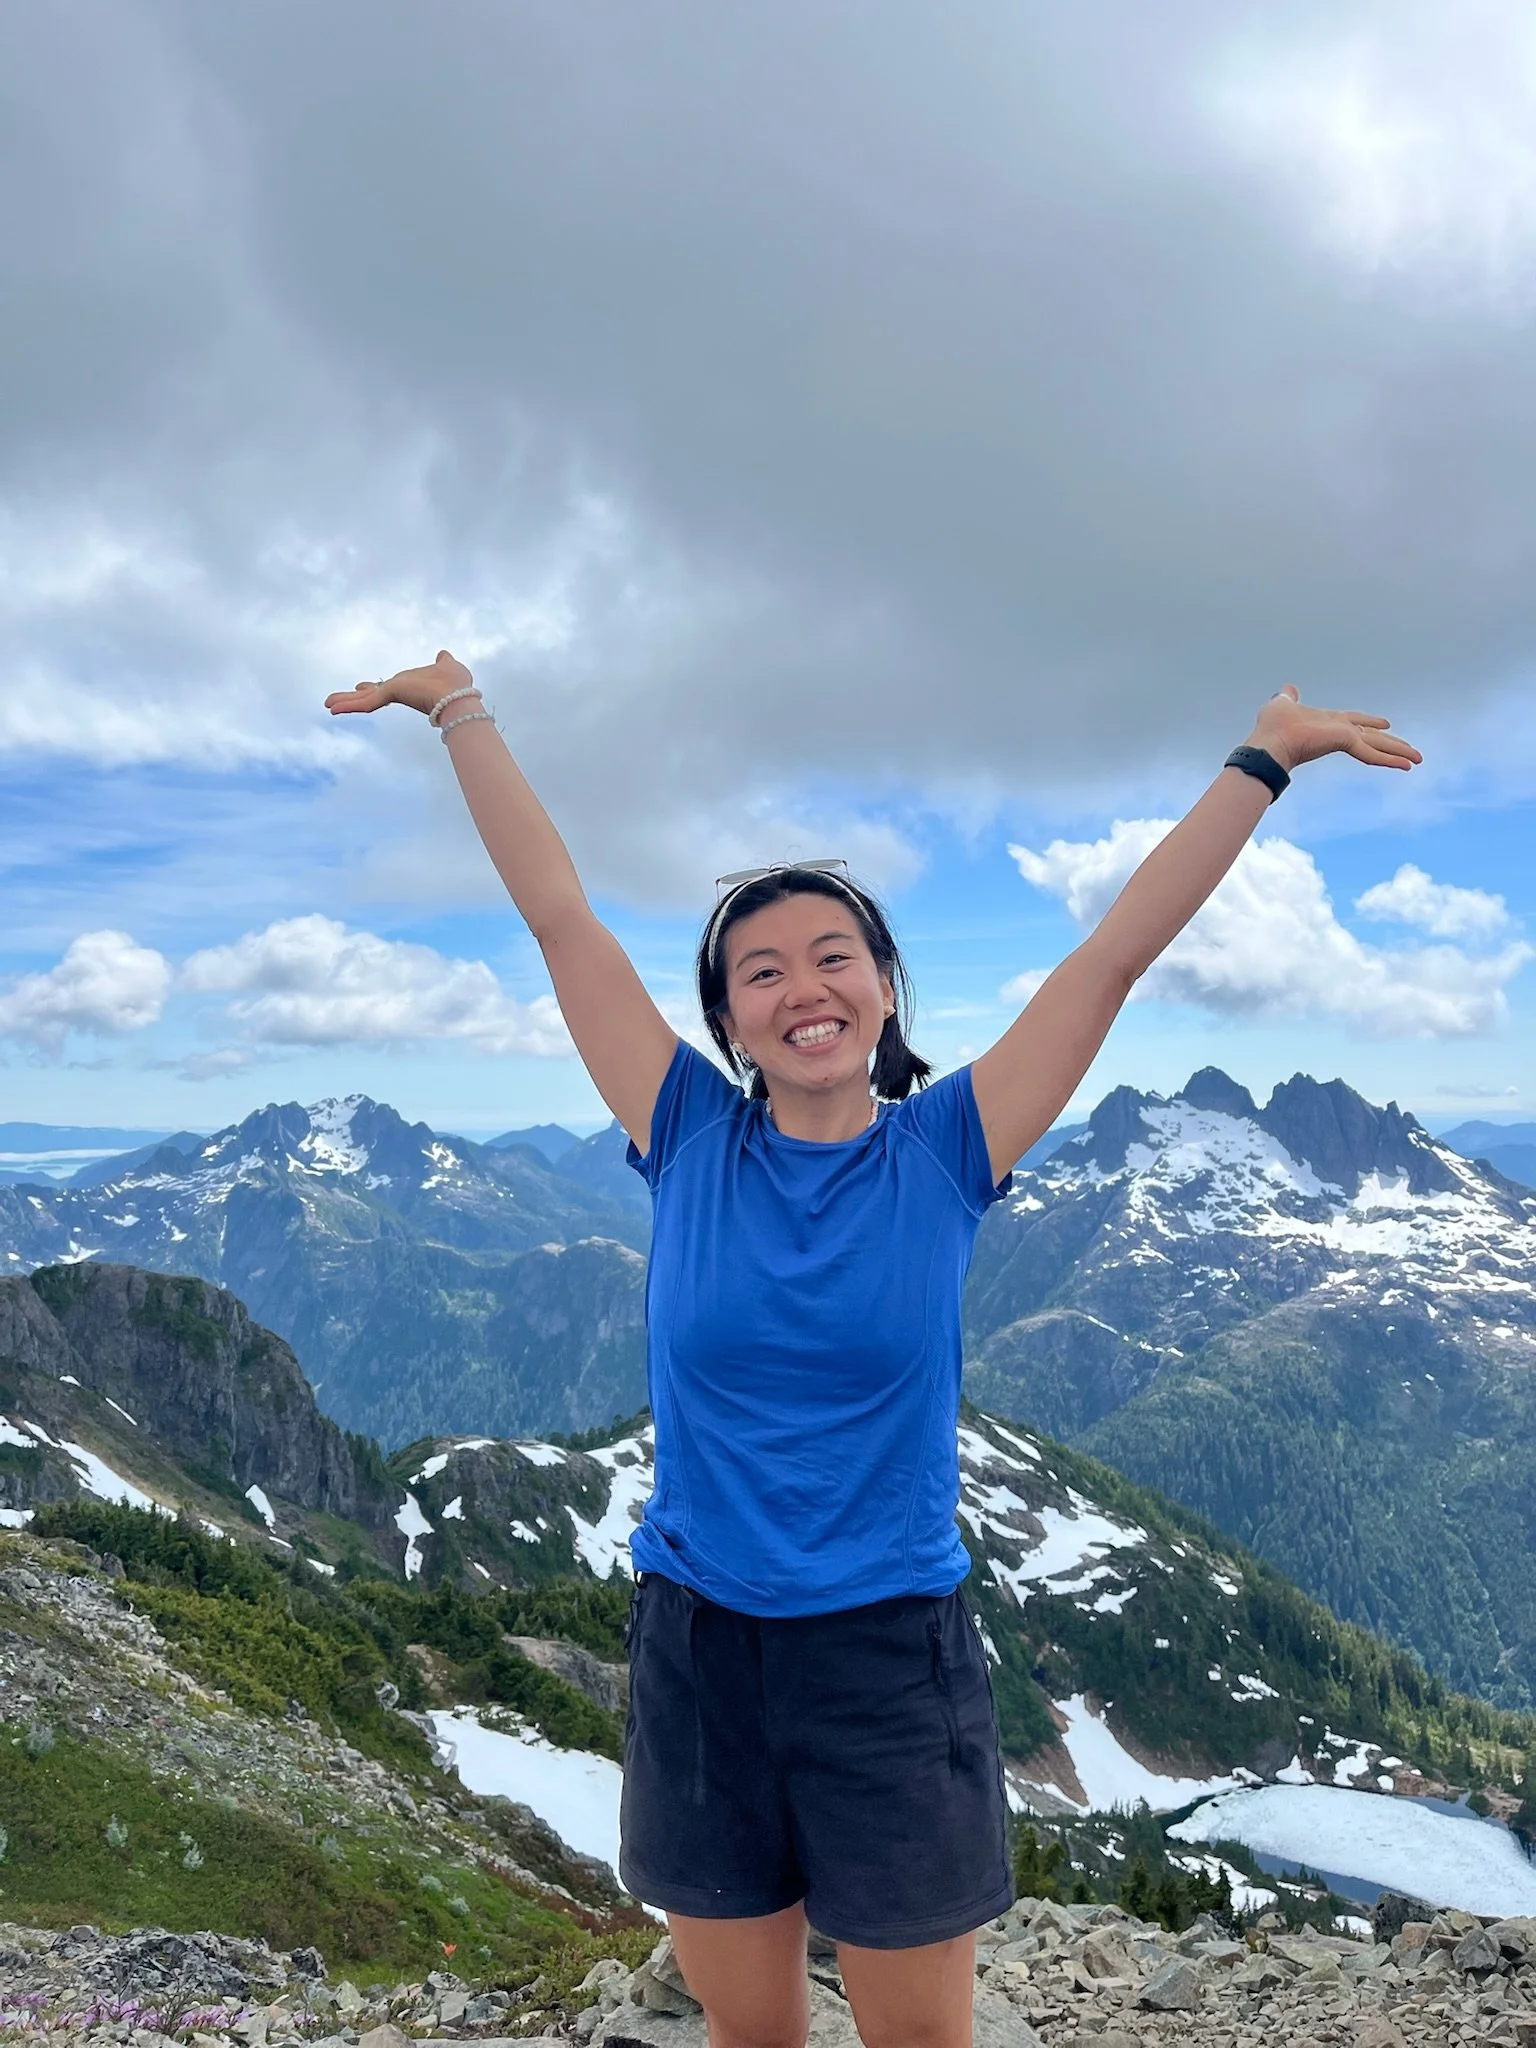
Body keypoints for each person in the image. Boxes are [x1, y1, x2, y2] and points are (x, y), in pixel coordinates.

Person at [326, 657, 1419, 2048]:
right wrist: (459, 710)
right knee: (754, 2036)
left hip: (889, 1656)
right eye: (761, 972)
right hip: (701, 1650)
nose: (803, 987)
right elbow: (560, 921)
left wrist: (1260, 759)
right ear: (728, 1023)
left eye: (835, 957)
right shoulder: (684, 1137)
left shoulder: (950, 1150)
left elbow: (1111, 956)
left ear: (886, 991)